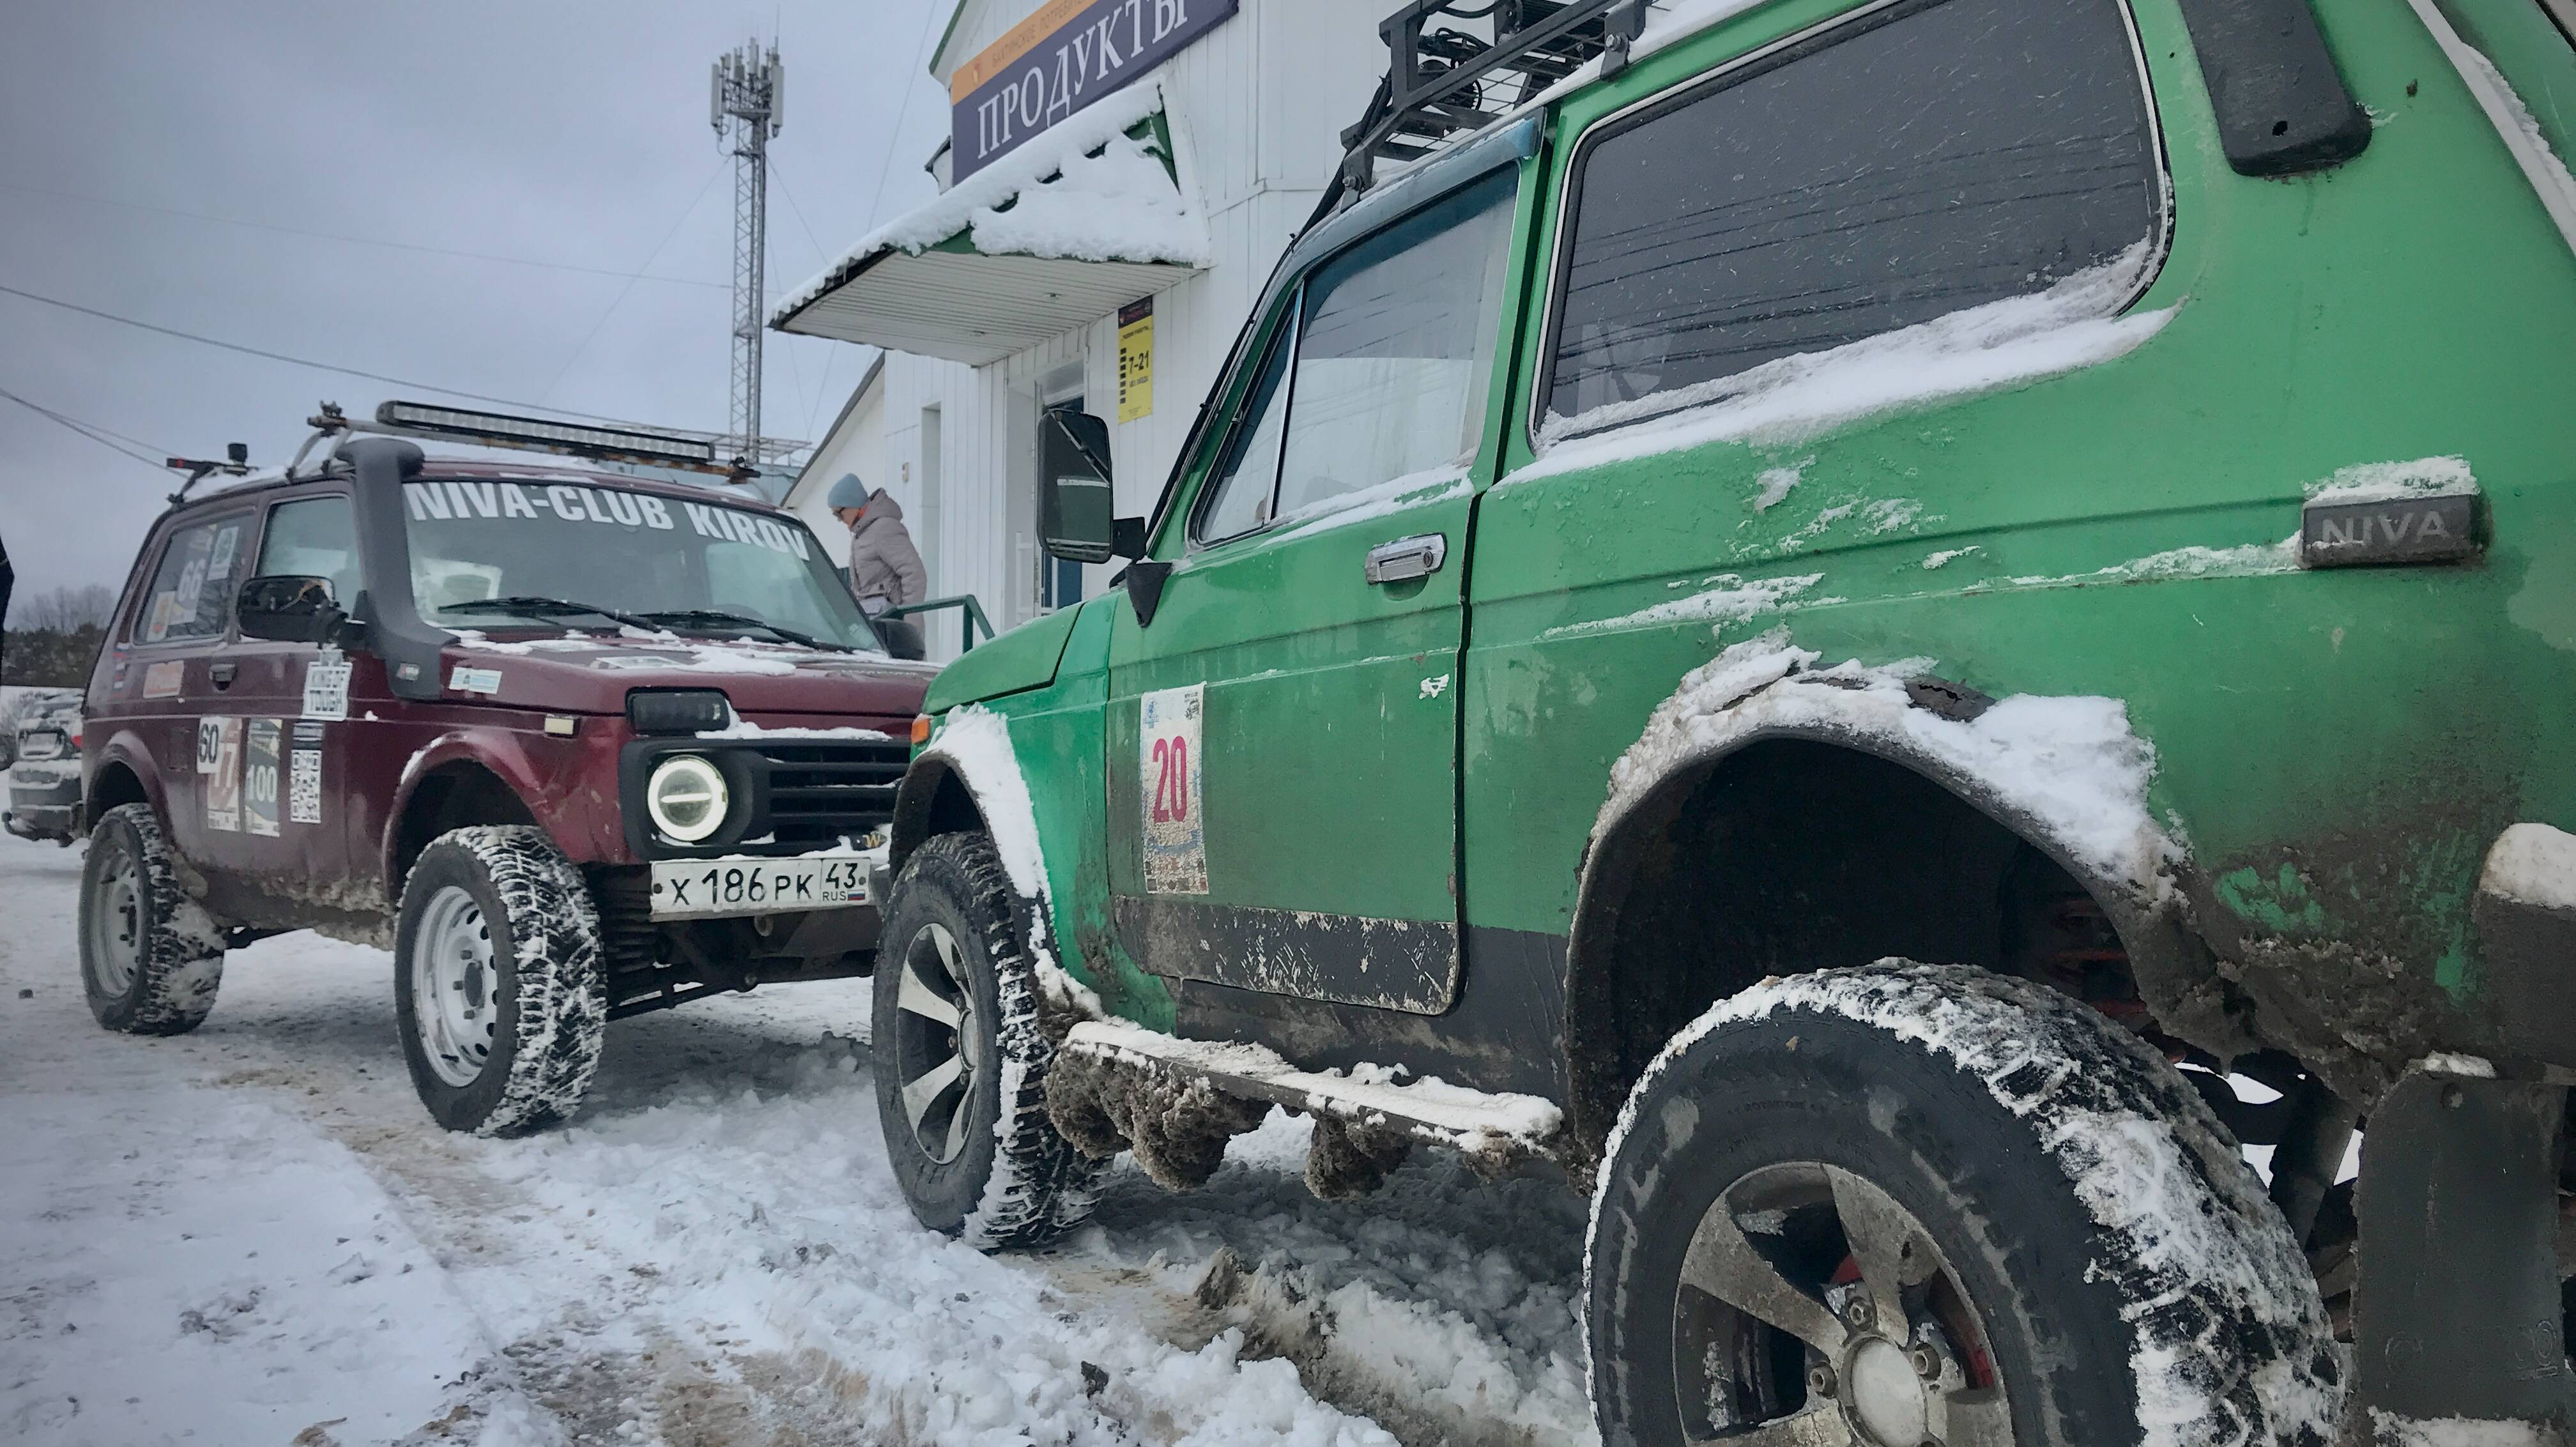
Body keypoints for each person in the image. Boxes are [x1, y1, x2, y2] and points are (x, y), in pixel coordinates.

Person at [829, 473, 926, 617]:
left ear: (852, 505)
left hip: (894, 628)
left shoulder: (884, 529)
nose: (839, 520)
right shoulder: (861, 535)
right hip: (875, 624)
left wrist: (907, 617)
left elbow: (914, 573)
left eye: (839, 514)